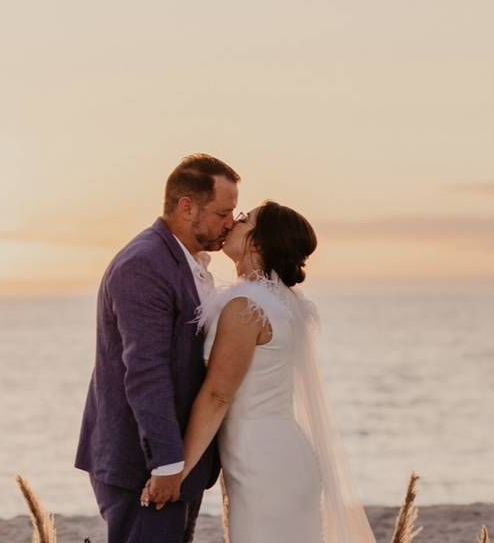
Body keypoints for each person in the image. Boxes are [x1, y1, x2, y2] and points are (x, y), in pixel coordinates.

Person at [149, 201, 377, 543]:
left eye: (244, 219)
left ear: (257, 242)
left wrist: (178, 470)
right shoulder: (285, 302)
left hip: (263, 463)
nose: (233, 223)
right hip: (278, 453)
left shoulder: (247, 307)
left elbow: (218, 395)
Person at [75, 154, 240, 543]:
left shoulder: (188, 261)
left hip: (181, 461)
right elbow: (146, 370)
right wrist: (167, 465)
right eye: (223, 212)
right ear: (187, 206)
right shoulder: (144, 264)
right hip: (142, 465)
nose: (230, 223)